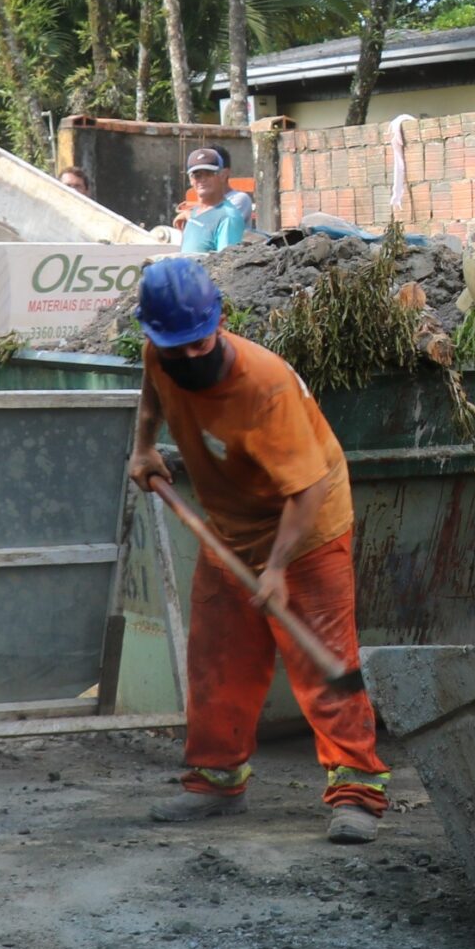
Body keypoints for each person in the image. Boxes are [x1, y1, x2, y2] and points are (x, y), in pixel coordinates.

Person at [128, 256, 388, 842]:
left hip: (307, 526)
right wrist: (144, 447)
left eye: (200, 342)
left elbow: (308, 488)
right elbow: (153, 387)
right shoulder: (161, 350)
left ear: (219, 321)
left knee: (322, 663)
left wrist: (274, 569)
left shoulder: (264, 386)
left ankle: (357, 794)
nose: (191, 356)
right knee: (217, 658)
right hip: (229, 523)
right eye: (176, 347)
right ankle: (215, 780)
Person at [177, 146, 253, 253]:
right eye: (197, 175)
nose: (202, 180)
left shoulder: (228, 217)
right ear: (191, 180)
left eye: (209, 174)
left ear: (222, 175)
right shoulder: (195, 213)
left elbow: (227, 265)